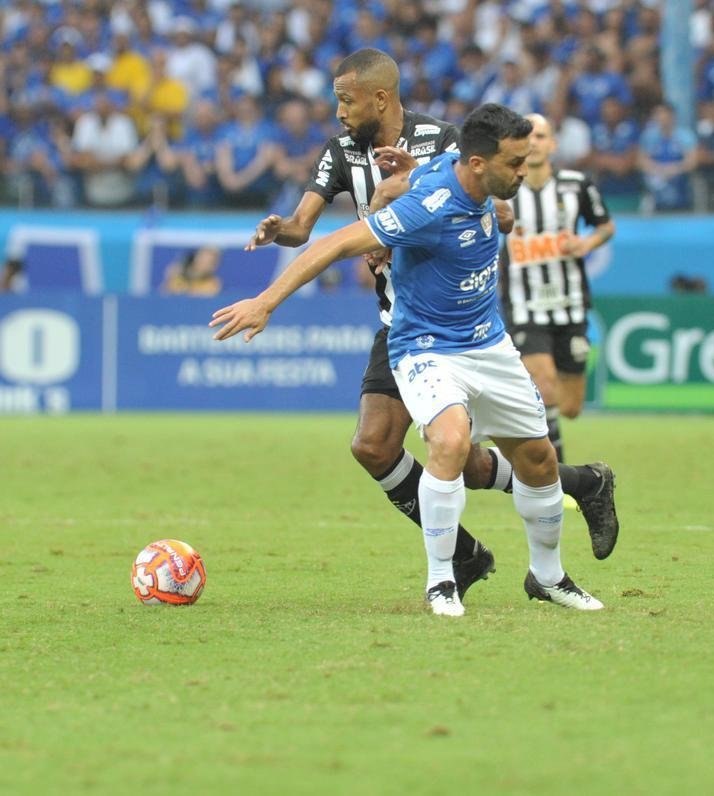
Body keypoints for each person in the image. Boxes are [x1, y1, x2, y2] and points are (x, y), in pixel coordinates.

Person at [243, 50, 620, 597]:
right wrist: (281, 230)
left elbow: (501, 210)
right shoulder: (339, 152)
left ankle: (567, 493)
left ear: (380, 97)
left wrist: (412, 190)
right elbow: (307, 230)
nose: (340, 112)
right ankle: (480, 546)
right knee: (377, 447)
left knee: (458, 457)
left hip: (454, 326)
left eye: (346, 101)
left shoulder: (444, 139)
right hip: (401, 323)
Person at [500, 113, 615, 464]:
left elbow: (605, 226)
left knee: (571, 406)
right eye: (527, 136)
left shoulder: (577, 184)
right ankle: (557, 475)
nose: (534, 142)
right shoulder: (503, 189)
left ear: (553, 144)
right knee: (545, 385)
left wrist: (586, 243)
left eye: (541, 136)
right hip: (524, 305)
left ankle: (520, 434)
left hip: (571, 304)